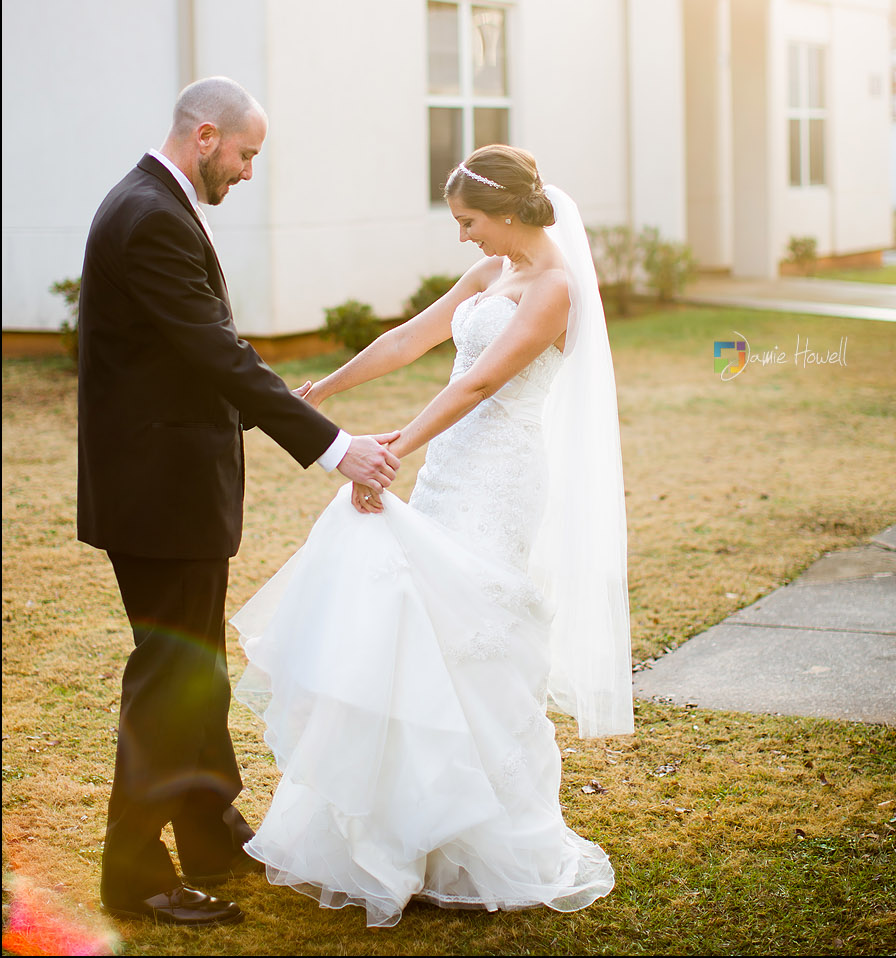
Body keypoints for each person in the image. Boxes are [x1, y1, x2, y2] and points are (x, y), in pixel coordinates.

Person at [230, 144, 634, 928]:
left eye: (469, 220)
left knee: (473, 635)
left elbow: (481, 382)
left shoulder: (555, 288)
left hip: (501, 477)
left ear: (509, 211)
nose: (462, 235)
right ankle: (410, 827)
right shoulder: (490, 274)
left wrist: (390, 451)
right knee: (420, 629)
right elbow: (409, 340)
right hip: (453, 466)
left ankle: (482, 835)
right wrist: (323, 391)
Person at [76, 76, 400, 928]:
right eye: (247, 155)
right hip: (158, 493)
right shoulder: (149, 216)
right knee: (172, 677)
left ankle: (211, 829)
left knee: (198, 668)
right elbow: (216, 353)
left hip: (169, 486)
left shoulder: (153, 203)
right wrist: (334, 446)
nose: (251, 171)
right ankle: (133, 873)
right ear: (206, 136)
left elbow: (201, 351)